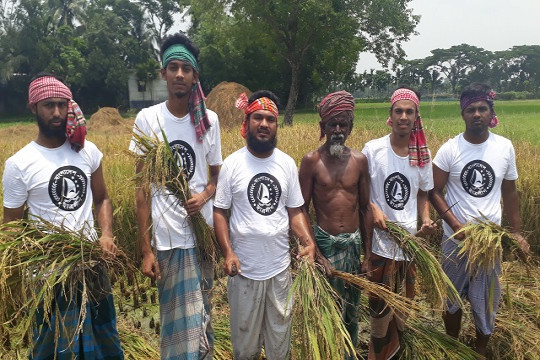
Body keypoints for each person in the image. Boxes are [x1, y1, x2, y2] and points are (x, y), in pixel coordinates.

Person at [2, 73, 123, 359]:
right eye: (48, 105)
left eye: (61, 105)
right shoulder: (19, 164)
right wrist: (25, 268)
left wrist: (106, 234)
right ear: (33, 108)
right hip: (47, 277)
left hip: (91, 268)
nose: (56, 112)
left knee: (105, 340)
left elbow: (102, 197)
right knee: (52, 347)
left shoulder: (86, 151)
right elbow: (12, 227)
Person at [129, 33, 222, 359]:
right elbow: (140, 188)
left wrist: (205, 195)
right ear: (163, 74)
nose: (179, 74)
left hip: (203, 239)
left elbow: (215, 178)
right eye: (173, 68)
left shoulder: (209, 121)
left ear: (195, 75)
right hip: (167, 241)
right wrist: (146, 249)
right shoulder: (148, 119)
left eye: (186, 68)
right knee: (175, 323)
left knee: (204, 316)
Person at [429, 83, 530, 356]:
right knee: (451, 299)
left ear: (491, 112)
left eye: (482, 109)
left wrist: (517, 233)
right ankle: (452, 344)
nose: (477, 114)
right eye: (471, 109)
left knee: (485, 300)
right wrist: (454, 224)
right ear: (463, 114)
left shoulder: (504, 147)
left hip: (489, 242)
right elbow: (433, 190)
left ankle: (480, 350)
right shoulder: (450, 149)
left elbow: (510, 192)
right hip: (456, 240)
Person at [213, 90, 316, 359]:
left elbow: (295, 211)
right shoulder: (232, 164)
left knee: (279, 345)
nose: (264, 124)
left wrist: (308, 242)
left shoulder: (286, 164)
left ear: (276, 125)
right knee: (245, 348)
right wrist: (228, 252)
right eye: (258, 118)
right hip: (244, 272)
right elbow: (220, 212)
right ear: (247, 123)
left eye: (270, 119)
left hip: (279, 273)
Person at [361, 87, 436, 360]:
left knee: (404, 309)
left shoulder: (422, 155)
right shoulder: (373, 149)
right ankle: (378, 354)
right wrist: (374, 207)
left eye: (409, 112)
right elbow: (363, 190)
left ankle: (398, 352)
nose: (404, 116)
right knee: (379, 311)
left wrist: (426, 219)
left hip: (410, 246)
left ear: (417, 117)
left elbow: (423, 193)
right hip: (381, 247)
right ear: (390, 116)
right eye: (398, 111)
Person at [298, 90, 372, 355]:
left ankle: (349, 352)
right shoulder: (311, 161)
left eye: (343, 124)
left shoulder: (360, 161)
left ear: (351, 126)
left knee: (351, 309)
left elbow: (365, 209)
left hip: (352, 247)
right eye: (333, 124)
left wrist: (367, 256)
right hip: (325, 245)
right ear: (323, 127)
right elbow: (301, 210)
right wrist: (315, 253)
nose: (338, 130)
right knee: (326, 309)